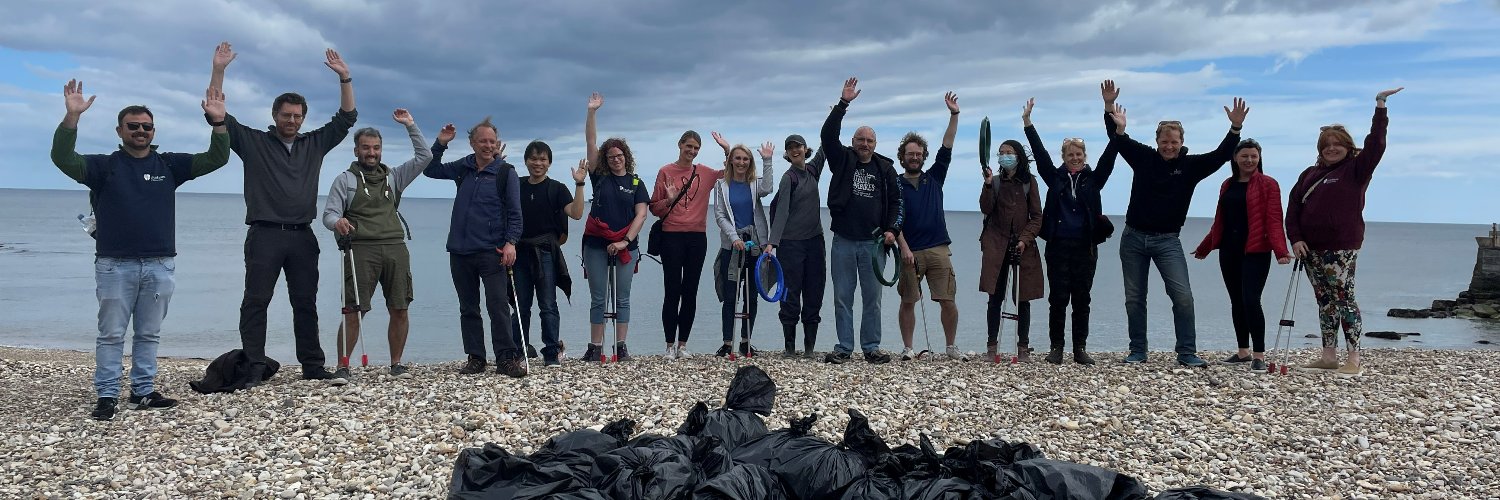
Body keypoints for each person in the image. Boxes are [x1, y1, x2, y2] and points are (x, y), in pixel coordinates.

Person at [51, 80, 231, 419]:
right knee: (111, 334)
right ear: (120, 131)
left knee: (148, 334)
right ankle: (107, 395)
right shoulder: (103, 167)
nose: (140, 131)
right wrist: (72, 117)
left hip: (160, 264)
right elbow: (63, 158)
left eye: (146, 126)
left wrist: (219, 123)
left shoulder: (169, 166)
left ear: (153, 131)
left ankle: (142, 392)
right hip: (114, 265)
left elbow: (217, 159)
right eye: (133, 126)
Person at [212, 42, 356, 384]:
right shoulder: (253, 142)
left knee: (305, 303)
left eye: (297, 116)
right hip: (264, 234)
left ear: (303, 118)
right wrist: (219, 70)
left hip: (302, 235)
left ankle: (312, 367)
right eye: (286, 115)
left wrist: (345, 78)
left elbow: (347, 118)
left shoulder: (313, 144)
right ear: (275, 115)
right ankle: (254, 367)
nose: (291, 120)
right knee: (256, 302)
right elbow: (217, 112)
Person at [1102, 79, 1249, 367]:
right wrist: (1109, 107)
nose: (1169, 146)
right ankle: (1138, 350)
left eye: (1174, 142)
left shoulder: (1191, 166)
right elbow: (1117, 137)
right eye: (1164, 142)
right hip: (1133, 238)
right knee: (1134, 298)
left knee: (1182, 297)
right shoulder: (1143, 158)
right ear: (1157, 142)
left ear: (1181, 143)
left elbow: (1221, 156)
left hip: (1168, 240)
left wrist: (1235, 128)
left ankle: (1186, 352)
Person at [1286, 87, 1404, 377]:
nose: (1331, 149)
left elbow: (1376, 144)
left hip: (1341, 247)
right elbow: (1293, 208)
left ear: (1348, 147)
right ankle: (1328, 356)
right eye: (1326, 145)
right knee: (1325, 302)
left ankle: (1353, 360)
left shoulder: (1357, 169)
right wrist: (1296, 238)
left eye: (1337, 144)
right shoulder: (1309, 174)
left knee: (1344, 300)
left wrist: (1380, 106)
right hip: (1310, 248)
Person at [320, 109, 433, 379]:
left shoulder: (394, 177)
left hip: (395, 247)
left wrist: (410, 125)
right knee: (353, 311)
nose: (371, 153)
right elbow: (329, 215)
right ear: (356, 150)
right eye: (366, 148)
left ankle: (396, 364)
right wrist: (338, 223)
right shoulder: (345, 180)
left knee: (400, 307)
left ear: (381, 150)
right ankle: (343, 367)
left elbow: (425, 157)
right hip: (360, 249)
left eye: (376, 148)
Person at [423, 117, 526, 377]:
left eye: (492, 141)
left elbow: (515, 213)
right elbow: (430, 170)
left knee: (498, 306)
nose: (488, 146)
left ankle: (505, 358)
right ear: (472, 143)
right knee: (468, 308)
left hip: (492, 252)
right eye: (483, 141)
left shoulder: (506, 173)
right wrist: (440, 143)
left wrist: (511, 242)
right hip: (460, 251)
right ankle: (476, 357)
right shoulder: (463, 167)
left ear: (497, 144)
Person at [1024, 98, 1120, 365]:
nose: (1075, 158)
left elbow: (1111, 155)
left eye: (1079, 155)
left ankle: (1080, 348)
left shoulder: (1094, 179)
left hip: (1085, 247)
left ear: (1084, 157)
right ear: (1064, 158)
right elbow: (1040, 154)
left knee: (1082, 299)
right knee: (1058, 298)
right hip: (1058, 246)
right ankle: (1056, 348)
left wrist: (1118, 131)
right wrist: (1028, 124)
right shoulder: (1054, 178)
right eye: (1070, 155)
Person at [820, 77, 904, 364]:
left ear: (875, 144)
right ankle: (844, 348)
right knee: (842, 297)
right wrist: (843, 104)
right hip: (843, 240)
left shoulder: (886, 169)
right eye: (860, 140)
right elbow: (827, 136)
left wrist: (893, 229)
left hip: (874, 243)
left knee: (873, 299)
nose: (864, 144)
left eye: (869, 141)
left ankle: (871, 347)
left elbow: (897, 203)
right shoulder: (842, 159)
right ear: (853, 142)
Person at [1192, 139, 1292, 372]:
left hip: (1256, 251)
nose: (1249, 160)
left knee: (1251, 300)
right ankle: (1243, 352)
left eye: (1253, 156)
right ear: (1235, 158)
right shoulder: (1227, 184)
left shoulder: (1268, 184)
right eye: (1244, 156)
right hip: (1229, 250)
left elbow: (1274, 219)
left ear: (1259, 158)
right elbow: (1221, 221)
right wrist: (1205, 246)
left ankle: (1259, 355)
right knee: (1236, 301)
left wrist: (1280, 250)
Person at [894, 92, 964, 361]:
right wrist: (903, 247)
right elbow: (892, 219)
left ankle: (951, 347)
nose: (915, 157)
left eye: (918, 154)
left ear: (924, 156)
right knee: (908, 301)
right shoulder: (894, 184)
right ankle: (908, 348)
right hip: (909, 251)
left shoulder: (935, 177)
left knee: (948, 299)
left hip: (938, 249)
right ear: (902, 157)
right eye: (910, 154)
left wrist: (954, 115)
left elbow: (947, 145)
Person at [582, 92, 650, 362]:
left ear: (626, 156)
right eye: (610, 156)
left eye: (619, 155)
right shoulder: (599, 176)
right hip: (596, 244)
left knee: (622, 298)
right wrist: (591, 112)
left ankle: (621, 347)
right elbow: (591, 141)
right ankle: (595, 347)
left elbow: (641, 215)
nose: (615, 159)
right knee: (599, 298)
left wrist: (624, 241)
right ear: (605, 159)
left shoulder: (636, 183)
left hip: (626, 246)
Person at [509, 141, 588, 367]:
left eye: (543, 159)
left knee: (548, 305)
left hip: (545, 251)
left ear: (549, 163)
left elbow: (576, 213)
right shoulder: (517, 185)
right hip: (519, 251)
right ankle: (519, 352)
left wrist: (580, 183)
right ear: (526, 161)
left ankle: (551, 352)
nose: (538, 163)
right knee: (520, 306)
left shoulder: (557, 188)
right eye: (533, 159)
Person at [650, 127, 724, 359]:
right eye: (688, 146)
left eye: (696, 148)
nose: (692, 151)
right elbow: (654, 208)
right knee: (672, 290)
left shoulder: (705, 172)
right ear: (680, 145)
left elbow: (732, 172)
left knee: (690, 291)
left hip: (697, 237)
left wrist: (726, 148)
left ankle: (683, 345)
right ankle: (669, 346)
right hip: (671, 236)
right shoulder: (665, 171)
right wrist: (669, 200)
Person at [709, 136, 776, 357]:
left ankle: (746, 342)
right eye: (737, 158)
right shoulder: (721, 185)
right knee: (730, 296)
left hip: (755, 246)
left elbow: (768, 187)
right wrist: (733, 237)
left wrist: (767, 160)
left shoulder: (754, 183)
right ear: (731, 160)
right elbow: (720, 215)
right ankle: (727, 342)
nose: (741, 162)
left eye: (745, 159)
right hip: (732, 247)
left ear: (750, 162)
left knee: (752, 296)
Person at [978, 139, 1043, 362]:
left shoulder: (1029, 182)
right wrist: (987, 185)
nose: (1005, 156)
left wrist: (1024, 239)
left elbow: (1037, 217)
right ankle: (991, 347)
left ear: (1018, 156)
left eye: (1009, 152)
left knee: (1023, 298)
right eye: (1001, 152)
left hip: (1022, 246)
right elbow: (986, 208)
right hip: (996, 245)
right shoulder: (995, 181)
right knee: (994, 297)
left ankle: (1023, 348)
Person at [764, 134, 827, 358]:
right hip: (790, 245)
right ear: (788, 154)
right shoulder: (788, 178)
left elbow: (826, 144)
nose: (795, 150)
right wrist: (772, 243)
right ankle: (790, 348)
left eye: (798, 146)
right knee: (790, 294)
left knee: (814, 292)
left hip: (815, 243)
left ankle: (809, 349)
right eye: (790, 148)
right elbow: (781, 212)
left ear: (805, 149)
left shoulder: (813, 170)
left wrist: (837, 116)